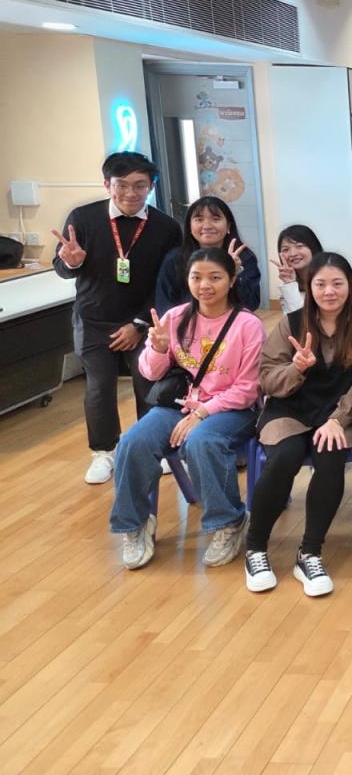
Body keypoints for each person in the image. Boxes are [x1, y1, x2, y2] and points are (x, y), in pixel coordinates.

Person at [110, 247, 263, 569]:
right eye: (197, 277)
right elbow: (150, 373)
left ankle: (229, 522)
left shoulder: (247, 325)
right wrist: (157, 348)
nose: (205, 285)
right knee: (133, 441)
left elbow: (248, 389)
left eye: (215, 277)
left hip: (232, 410)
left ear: (232, 280)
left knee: (202, 441)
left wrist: (203, 413)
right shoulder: (175, 318)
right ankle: (135, 524)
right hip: (180, 405)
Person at [246, 253, 352, 596]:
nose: (329, 291)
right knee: (285, 455)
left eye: (337, 283)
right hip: (289, 409)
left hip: (339, 413)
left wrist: (338, 420)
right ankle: (255, 547)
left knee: (331, 456)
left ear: (351, 286)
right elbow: (267, 378)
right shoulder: (291, 324)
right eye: (320, 284)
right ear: (308, 286)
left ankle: (309, 553)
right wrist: (296, 368)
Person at [52, 152, 182, 484]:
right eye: (121, 185)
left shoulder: (166, 227)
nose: (130, 193)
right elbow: (62, 268)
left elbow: (167, 283)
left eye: (139, 185)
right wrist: (71, 263)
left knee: (148, 383)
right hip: (93, 320)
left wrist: (139, 324)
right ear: (107, 184)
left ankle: (153, 446)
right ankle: (104, 451)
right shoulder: (82, 218)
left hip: (142, 322)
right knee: (99, 388)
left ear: (151, 187)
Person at [155, 196, 261, 316]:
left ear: (228, 226)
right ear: (189, 227)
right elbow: (164, 306)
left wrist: (235, 272)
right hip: (186, 323)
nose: (207, 226)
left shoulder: (243, 257)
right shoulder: (175, 259)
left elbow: (251, 304)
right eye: (199, 219)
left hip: (232, 324)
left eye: (215, 219)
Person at [271, 224, 322, 315]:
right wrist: (290, 283)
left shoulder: (327, 279)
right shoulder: (290, 284)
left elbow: (306, 319)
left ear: (313, 247)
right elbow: (293, 320)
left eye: (299, 246)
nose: (293, 254)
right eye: (286, 249)